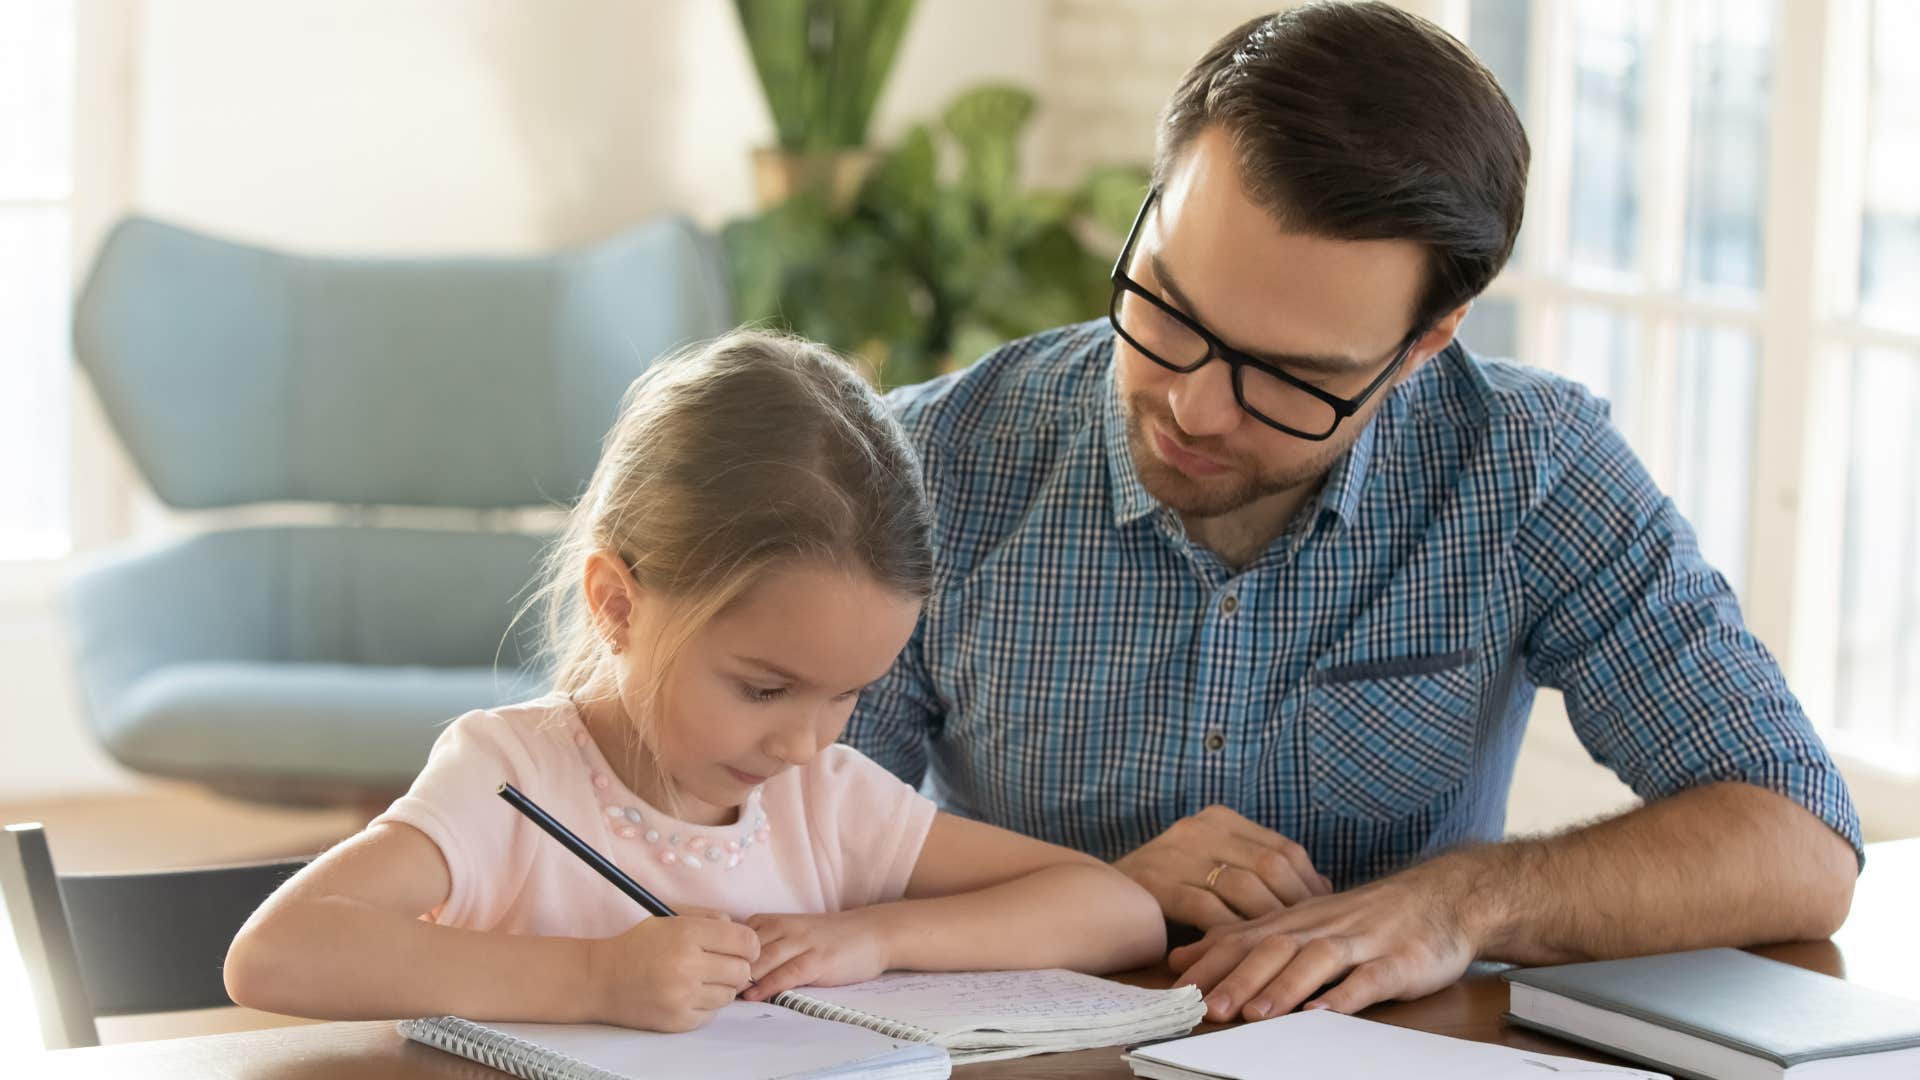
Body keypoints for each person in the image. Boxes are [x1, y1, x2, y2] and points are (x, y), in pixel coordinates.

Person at [846, 1, 1861, 1024]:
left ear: (1426, 342)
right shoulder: (931, 464)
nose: (1191, 407)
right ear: (1151, 211)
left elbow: (1797, 843)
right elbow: (746, 852)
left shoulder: (1529, 471)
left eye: (1291, 376)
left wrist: (1460, 901)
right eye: (1169, 307)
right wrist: (1093, 899)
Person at [224, 330, 1165, 1033]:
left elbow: (1119, 915)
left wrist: (877, 938)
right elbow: (278, 953)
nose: (806, 742)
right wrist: (594, 982)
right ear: (619, 604)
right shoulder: (509, 780)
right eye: (765, 689)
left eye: (849, 696)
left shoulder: (822, 804)